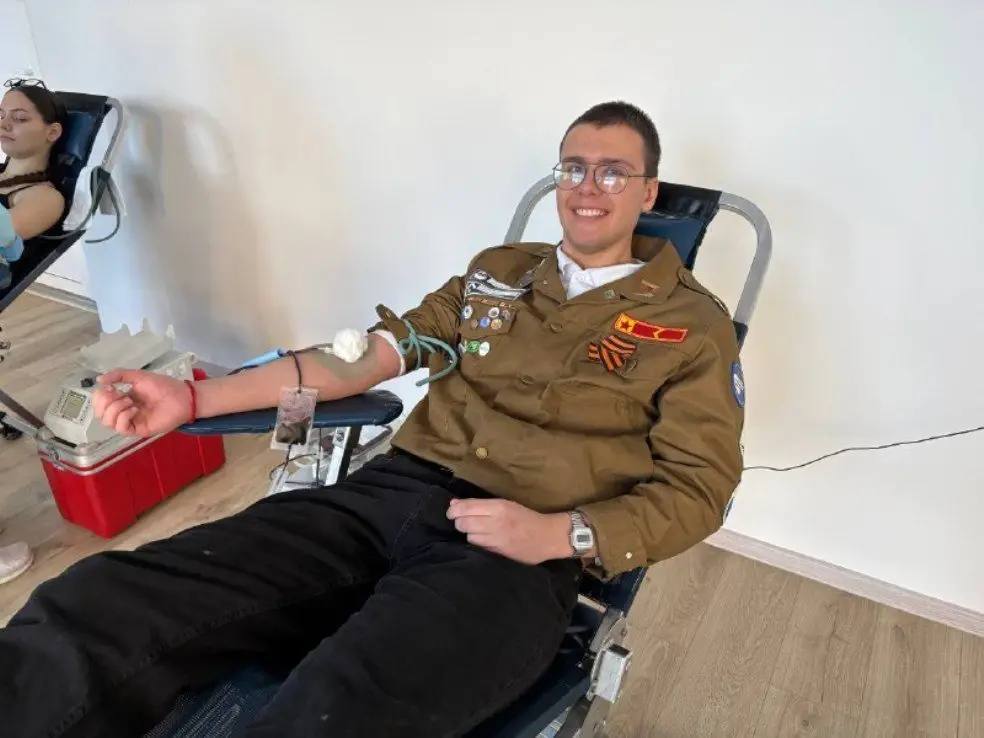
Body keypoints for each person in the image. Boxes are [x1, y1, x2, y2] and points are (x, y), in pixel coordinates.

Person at [0, 101, 744, 737]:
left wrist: (562, 535)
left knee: (338, 708)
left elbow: (699, 489)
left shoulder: (693, 326)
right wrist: (194, 398)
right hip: (386, 495)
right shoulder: (499, 272)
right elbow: (364, 358)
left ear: (648, 191)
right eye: (573, 168)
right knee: (101, 603)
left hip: (518, 551)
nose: (587, 187)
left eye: (613, 172)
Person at [0, 78, 67, 291]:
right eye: (1, 115)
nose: (3, 124)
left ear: (52, 132)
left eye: (20, 118)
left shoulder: (45, 198)